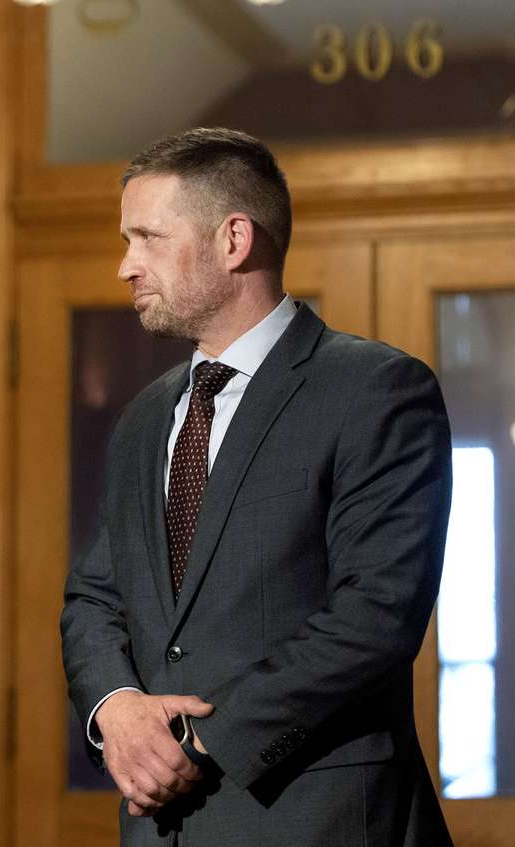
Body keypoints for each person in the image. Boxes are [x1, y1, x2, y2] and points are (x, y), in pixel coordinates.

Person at [61, 128, 453, 845]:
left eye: (146, 237)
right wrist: (116, 710)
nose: (125, 265)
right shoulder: (143, 418)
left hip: (319, 821)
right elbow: (94, 597)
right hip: (158, 828)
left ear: (234, 238)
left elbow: (376, 616)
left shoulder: (377, 390)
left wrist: (193, 744)